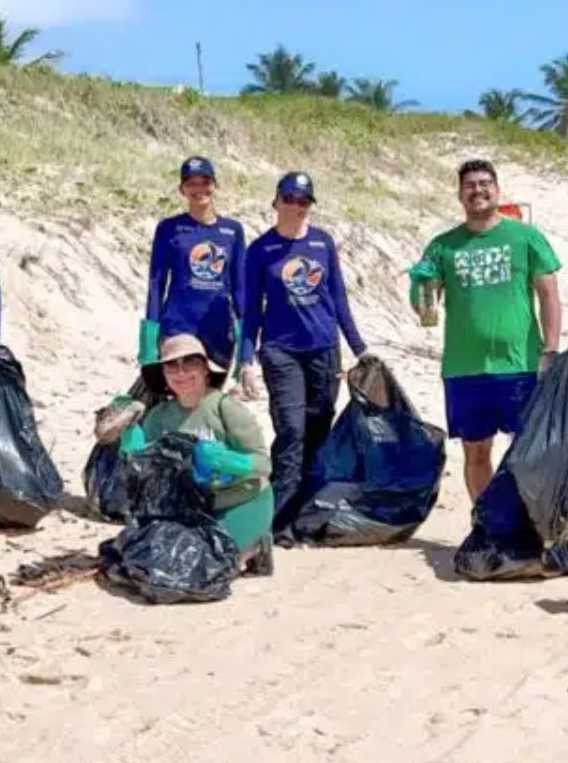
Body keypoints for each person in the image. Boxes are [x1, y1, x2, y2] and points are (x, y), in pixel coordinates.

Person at [409, 159, 562, 501]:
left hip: (520, 365)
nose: (477, 190)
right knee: (476, 453)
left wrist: (550, 350)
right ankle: (486, 524)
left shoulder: (526, 237)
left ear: (497, 189)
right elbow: (426, 312)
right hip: (465, 368)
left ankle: (529, 524)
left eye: (484, 184)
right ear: (460, 195)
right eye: (470, 185)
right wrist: (421, 285)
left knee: (529, 451)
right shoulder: (443, 246)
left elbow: (549, 295)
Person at [239, 171, 369, 541]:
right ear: (276, 201)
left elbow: (339, 299)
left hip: (324, 350)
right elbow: (251, 311)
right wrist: (245, 360)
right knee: (291, 430)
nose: (295, 207)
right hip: (281, 351)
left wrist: (360, 349)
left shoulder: (322, 243)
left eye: (303, 201)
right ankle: (278, 521)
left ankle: (307, 515)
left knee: (318, 431)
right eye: (289, 199)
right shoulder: (260, 250)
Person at [96, 334, 274, 574]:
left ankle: (258, 544)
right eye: (172, 366)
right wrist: (130, 435)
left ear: (206, 370)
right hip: (191, 506)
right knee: (157, 561)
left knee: (209, 566)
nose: (181, 373)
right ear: (164, 376)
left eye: (190, 363)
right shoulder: (159, 416)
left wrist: (227, 461)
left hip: (241, 499)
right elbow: (144, 469)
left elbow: (263, 465)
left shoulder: (225, 408)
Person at [140, 156, 246, 374]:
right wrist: (149, 342)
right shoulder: (169, 228)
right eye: (191, 183)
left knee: (210, 397)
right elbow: (156, 284)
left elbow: (239, 288)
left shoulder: (232, 230)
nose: (199, 189)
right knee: (180, 392)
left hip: (218, 329)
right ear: (182, 189)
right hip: (178, 328)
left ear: (215, 185)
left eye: (205, 182)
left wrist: (244, 340)